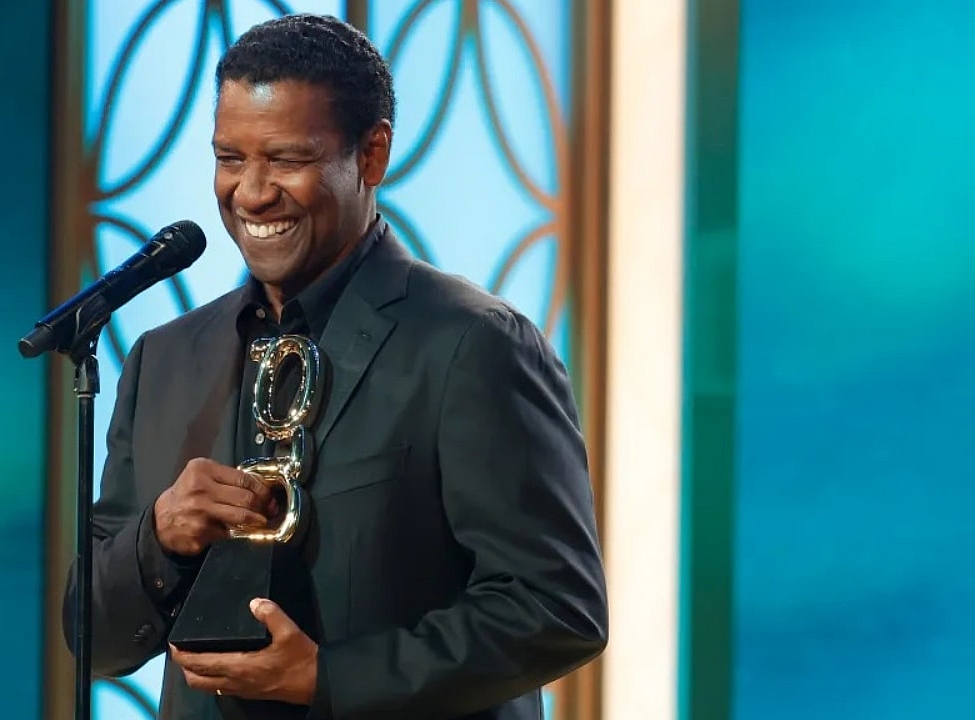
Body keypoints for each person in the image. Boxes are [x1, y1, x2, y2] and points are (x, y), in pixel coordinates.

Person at [64, 13, 607, 720]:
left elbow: (556, 609)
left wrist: (330, 678)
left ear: (372, 156)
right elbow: (96, 641)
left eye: (286, 159)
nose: (251, 192)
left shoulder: (475, 344)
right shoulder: (162, 360)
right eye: (230, 158)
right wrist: (159, 535)